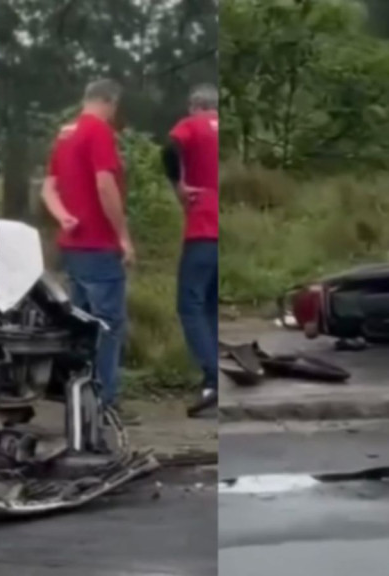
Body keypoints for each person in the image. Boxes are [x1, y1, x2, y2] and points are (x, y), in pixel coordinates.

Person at [40, 79, 138, 423]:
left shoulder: (66, 133)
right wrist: (123, 236)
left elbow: (49, 187)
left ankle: (77, 398)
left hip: (73, 247)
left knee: (80, 327)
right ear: (110, 102)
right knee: (108, 326)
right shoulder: (98, 131)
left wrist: (63, 216)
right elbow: (104, 184)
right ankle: (104, 401)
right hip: (98, 244)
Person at [161, 84, 219, 418]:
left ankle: (212, 376)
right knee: (210, 304)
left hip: (202, 226)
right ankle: (212, 381)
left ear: (194, 106)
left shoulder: (193, 125)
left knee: (189, 304)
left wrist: (179, 186)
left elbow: (168, 150)